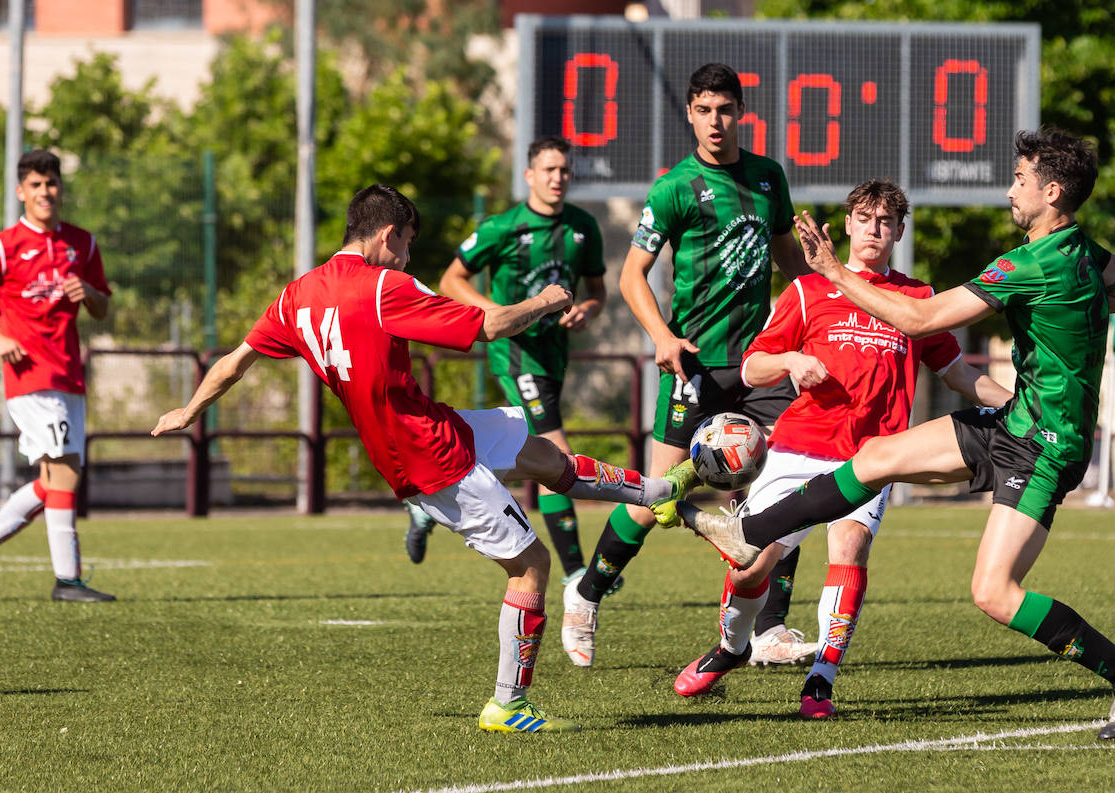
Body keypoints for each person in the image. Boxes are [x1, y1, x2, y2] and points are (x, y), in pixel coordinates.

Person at [675, 129, 1115, 740]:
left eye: (1021, 180)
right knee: (879, 456)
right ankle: (748, 533)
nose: (1011, 189)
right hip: (1016, 423)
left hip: (1046, 445)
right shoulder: (1080, 254)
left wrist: (831, 268)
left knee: (993, 593)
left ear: (1053, 191)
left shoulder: (1032, 262)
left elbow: (920, 318)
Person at [150, 184, 696, 733]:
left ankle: (659, 493)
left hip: (428, 427)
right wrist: (549, 300)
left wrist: (190, 409)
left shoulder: (298, 295)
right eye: (408, 243)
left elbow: (234, 362)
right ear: (388, 235)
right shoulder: (386, 287)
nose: (409, 256)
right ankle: (508, 705)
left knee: (543, 457)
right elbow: (489, 326)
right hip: (430, 457)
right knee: (531, 567)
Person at [670, 179, 1013, 717]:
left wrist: (1020, 408)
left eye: (886, 221)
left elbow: (956, 374)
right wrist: (790, 362)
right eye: (866, 218)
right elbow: (753, 366)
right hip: (798, 446)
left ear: (899, 231)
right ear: (848, 224)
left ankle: (820, 681)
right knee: (749, 566)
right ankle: (731, 650)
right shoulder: (807, 290)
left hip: (871, 456)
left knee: (848, 551)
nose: (875, 229)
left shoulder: (917, 299)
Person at [561, 62, 812, 669]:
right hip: (694, 365)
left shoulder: (768, 178)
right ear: (692, 115)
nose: (715, 121)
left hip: (760, 366)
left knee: (784, 492)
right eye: (703, 110)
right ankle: (586, 594)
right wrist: (663, 336)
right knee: (655, 499)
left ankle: (769, 629)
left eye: (725, 109)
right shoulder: (675, 187)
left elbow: (787, 260)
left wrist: (822, 304)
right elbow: (629, 276)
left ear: (741, 111)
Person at [404, 136, 608, 595]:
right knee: (556, 448)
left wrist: (589, 310)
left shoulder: (583, 227)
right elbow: (451, 278)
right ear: (530, 175)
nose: (559, 178)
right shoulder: (503, 228)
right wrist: (492, 317)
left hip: (554, 353)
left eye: (565, 170)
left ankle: (427, 500)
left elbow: (597, 289)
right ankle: (577, 572)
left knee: (526, 450)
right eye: (549, 170)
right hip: (516, 354)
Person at [0, 149, 115, 603]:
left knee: (60, 477)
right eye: (36, 185)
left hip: (69, 375)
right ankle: (68, 581)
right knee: (63, 474)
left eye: (52, 183)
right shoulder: (2, 246)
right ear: (21, 192)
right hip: (30, 375)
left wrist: (90, 293)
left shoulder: (82, 244)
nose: (46, 192)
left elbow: (102, 308)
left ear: (60, 188)